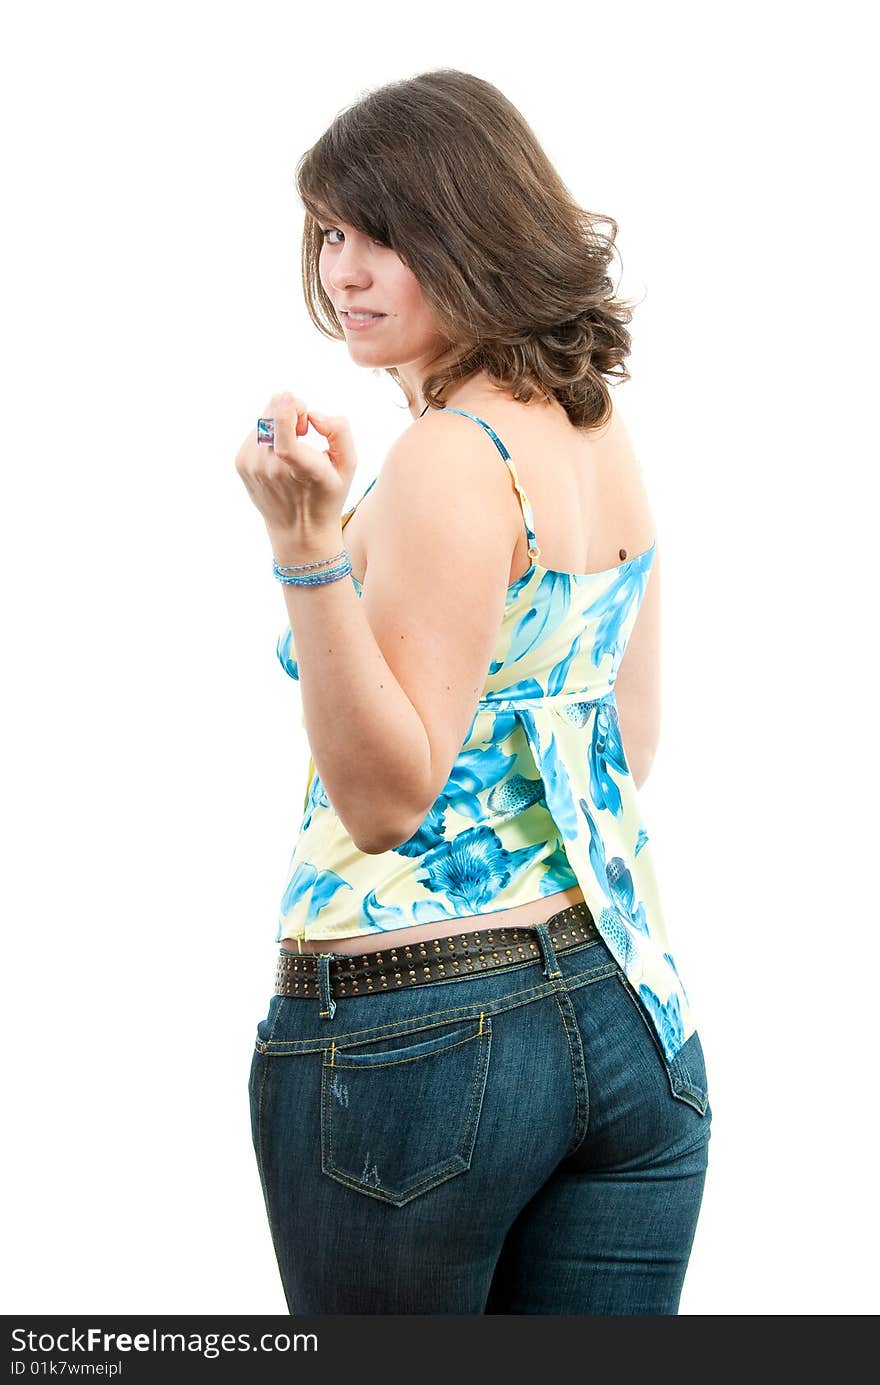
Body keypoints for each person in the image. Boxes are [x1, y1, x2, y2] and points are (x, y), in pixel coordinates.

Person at [237, 68, 712, 1315]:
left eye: (384, 233)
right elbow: (631, 741)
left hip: (418, 1040)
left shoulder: (453, 455)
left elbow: (388, 799)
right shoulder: (593, 426)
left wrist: (308, 547)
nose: (345, 270)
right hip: (622, 1010)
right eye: (331, 231)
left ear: (471, 227)